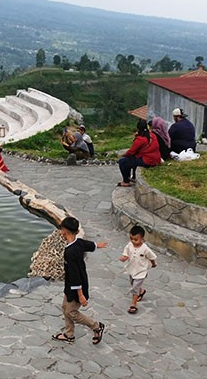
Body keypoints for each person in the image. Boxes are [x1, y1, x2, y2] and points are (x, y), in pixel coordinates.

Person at [51, 216, 107, 345]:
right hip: (70, 286)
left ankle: (96, 326)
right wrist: (98, 245)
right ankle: (69, 334)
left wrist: (81, 295)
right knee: (65, 307)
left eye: (61, 229)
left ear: (64, 231)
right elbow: (88, 245)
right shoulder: (78, 242)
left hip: (76, 287)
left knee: (71, 312)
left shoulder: (70, 252)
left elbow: (74, 274)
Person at [119, 224, 157, 314]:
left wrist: (154, 264)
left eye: (136, 239)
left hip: (141, 271)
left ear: (142, 239)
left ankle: (133, 304)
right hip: (132, 270)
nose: (133, 241)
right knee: (133, 284)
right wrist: (124, 257)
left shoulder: (145, 249)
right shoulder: (129, 245)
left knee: (135, 288)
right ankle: (142, 291)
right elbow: (126, 252)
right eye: (131, 238)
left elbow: (151, 257)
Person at [117, 119, 161, 187]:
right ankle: (133, 177)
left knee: (123, 161)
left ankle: (126, 181)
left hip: (147, 161)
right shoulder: (152, 135)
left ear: (138, 129)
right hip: (156, 160)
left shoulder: (140, 139)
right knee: (135, 158)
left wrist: (122, 155)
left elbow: (131, 152)